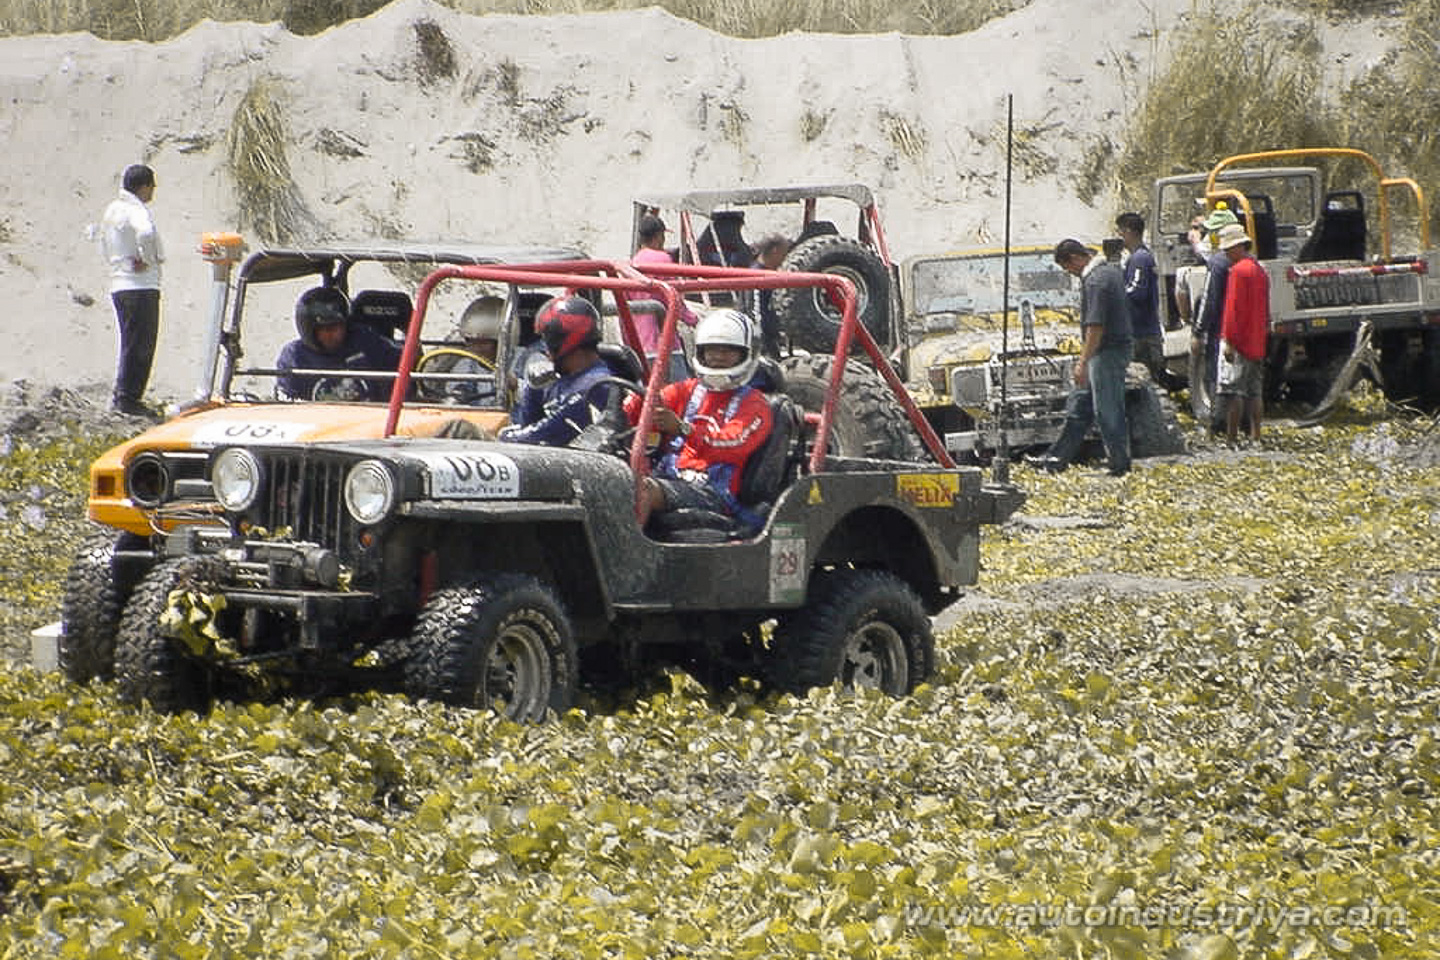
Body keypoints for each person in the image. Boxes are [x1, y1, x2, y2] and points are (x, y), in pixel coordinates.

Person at [625, 308, 774, 527]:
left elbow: (733, 443)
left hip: (715, 493)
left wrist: (683, 429)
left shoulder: (755, 404)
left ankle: (628, 557)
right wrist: (635, 399)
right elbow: (639, 411)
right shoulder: (688, 390)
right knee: (612, 481)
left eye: (728, 351)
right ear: (701, 352)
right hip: (669, 478)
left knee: (641, 490)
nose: (718, 357)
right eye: (712, 350)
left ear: (746, 354)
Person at [1031, 239, 1133, 476]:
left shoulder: (1096, 281)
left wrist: (1083, 362)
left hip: (1106, 352)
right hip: (1107, 349)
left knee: (1107, 410)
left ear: (1076, 259)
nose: (1071, 273)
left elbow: (1095, 326)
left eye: (1068, 268)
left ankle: (1119, 464)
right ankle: (1055, 460)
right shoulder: (1110, 272)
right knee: (1079, 407)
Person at [499, 295, 614, 446]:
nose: (545, 352)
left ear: (559, 342)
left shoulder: (597, 384)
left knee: (464, 432)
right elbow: (527, 426)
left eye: (547, 341)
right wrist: (533, 391)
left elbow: (543, 436)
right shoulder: (557, 379)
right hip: (550, 459)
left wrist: (505, 437)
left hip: (582, 462)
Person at [100, 163, 164, 416]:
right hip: (140, 285)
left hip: (120, 284)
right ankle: (128, 399)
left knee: (130, 341)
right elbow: (146, 234)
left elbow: (101, 240)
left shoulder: (112, 210)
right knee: (142, 343)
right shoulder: (135, 210)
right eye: (151, 187)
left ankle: (124, 395)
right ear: (144, 186)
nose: (153, 193)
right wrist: (147, 259)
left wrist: (118, 263)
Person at [275, 287, 402, 401]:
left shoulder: (364, 340)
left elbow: (404, 360)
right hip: (321, 424)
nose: (336, 334)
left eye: (340, 326)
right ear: (309, 329)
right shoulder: (295, 358)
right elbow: (286, 407)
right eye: (327, 329)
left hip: (371, 422)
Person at [1216, 223, 1269, 443]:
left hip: (1240, 341)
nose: (1226, 253)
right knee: (1255, 392)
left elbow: (1232, 309)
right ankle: (1256, 435)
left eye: (1228, 249)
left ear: (1239, 246)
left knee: (1234, 392)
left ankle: (1232, 437)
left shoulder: (1238, 271)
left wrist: (1228, 341)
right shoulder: (1259, 270)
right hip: (1257, 340)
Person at [1191, 202, 1241, 431]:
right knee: (1241, 381)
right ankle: (1241, 425)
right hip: (1243, 330)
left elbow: (1209, 300)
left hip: (1220, 330)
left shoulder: (1218, 263)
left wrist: (1198, 331)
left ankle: (1218, 423)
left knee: (1217, 377)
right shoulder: (1249, 262)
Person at [1116, 212, 1180, 391]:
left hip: (1143, 336)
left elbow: (1137, 292)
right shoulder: (1135, 258)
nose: (1119, 237)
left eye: (1120, 232)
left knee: (1147, 385)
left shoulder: (1140, 258)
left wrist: (1116, 294)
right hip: (1139, 333)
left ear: (1128, 231)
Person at [626, 214, 697, 356]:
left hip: (640, 343)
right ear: (659, 236)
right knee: (680, 378)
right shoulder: (663, 259)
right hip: (664, 342)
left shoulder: (631, 264)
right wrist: (692, 319)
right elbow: (673, 298)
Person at [431, 295, 503, 405]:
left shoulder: (524, 361)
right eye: (471, 341)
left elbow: (532, 394)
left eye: (484, 343)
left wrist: (514, 384)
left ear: (500, 341)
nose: (476, 348)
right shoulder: (465, 365)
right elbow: (451, 397)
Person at [749, 233, 791, 358]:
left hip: (768, 335)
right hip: (760, 339)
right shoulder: (756, 275)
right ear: (775, 251)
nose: (785, 258)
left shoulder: (768, 273)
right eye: (784, 253)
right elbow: (754, 309)